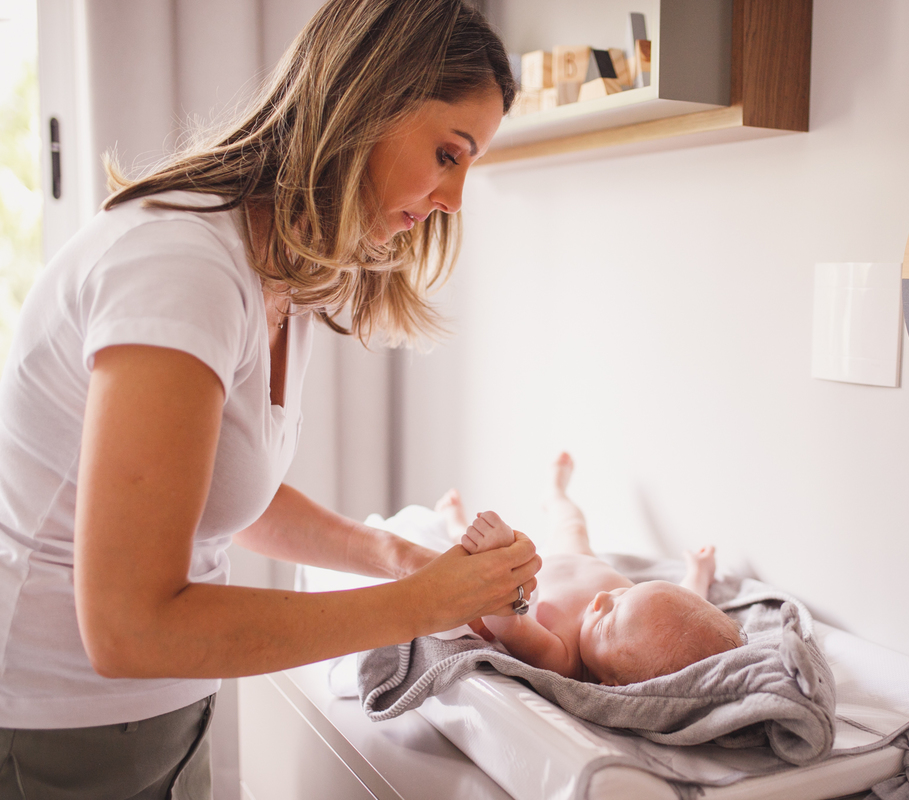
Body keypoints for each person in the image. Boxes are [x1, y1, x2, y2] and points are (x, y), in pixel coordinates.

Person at [0, 1, 540, 796]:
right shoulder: (183, 265)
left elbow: (219, 492)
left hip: (161, 713)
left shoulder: (284, 272)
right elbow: (128, 628)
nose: (454, 200)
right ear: (368, 102)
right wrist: (415, 605)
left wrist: (393, 556)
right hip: (55, 724)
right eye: (448, 153)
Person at [439, 453, 744, 686]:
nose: (602, 598)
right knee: (572, 520)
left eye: (606, 622)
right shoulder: (651, 615)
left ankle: (453, 522)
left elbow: (506, 625)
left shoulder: (562, 658)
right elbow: (688, 603)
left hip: (527, 575)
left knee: (462, 560)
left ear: (609, 685)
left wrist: (494, 554)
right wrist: (699, 572)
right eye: (627, 592)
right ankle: (555, 493)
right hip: (577, 555)